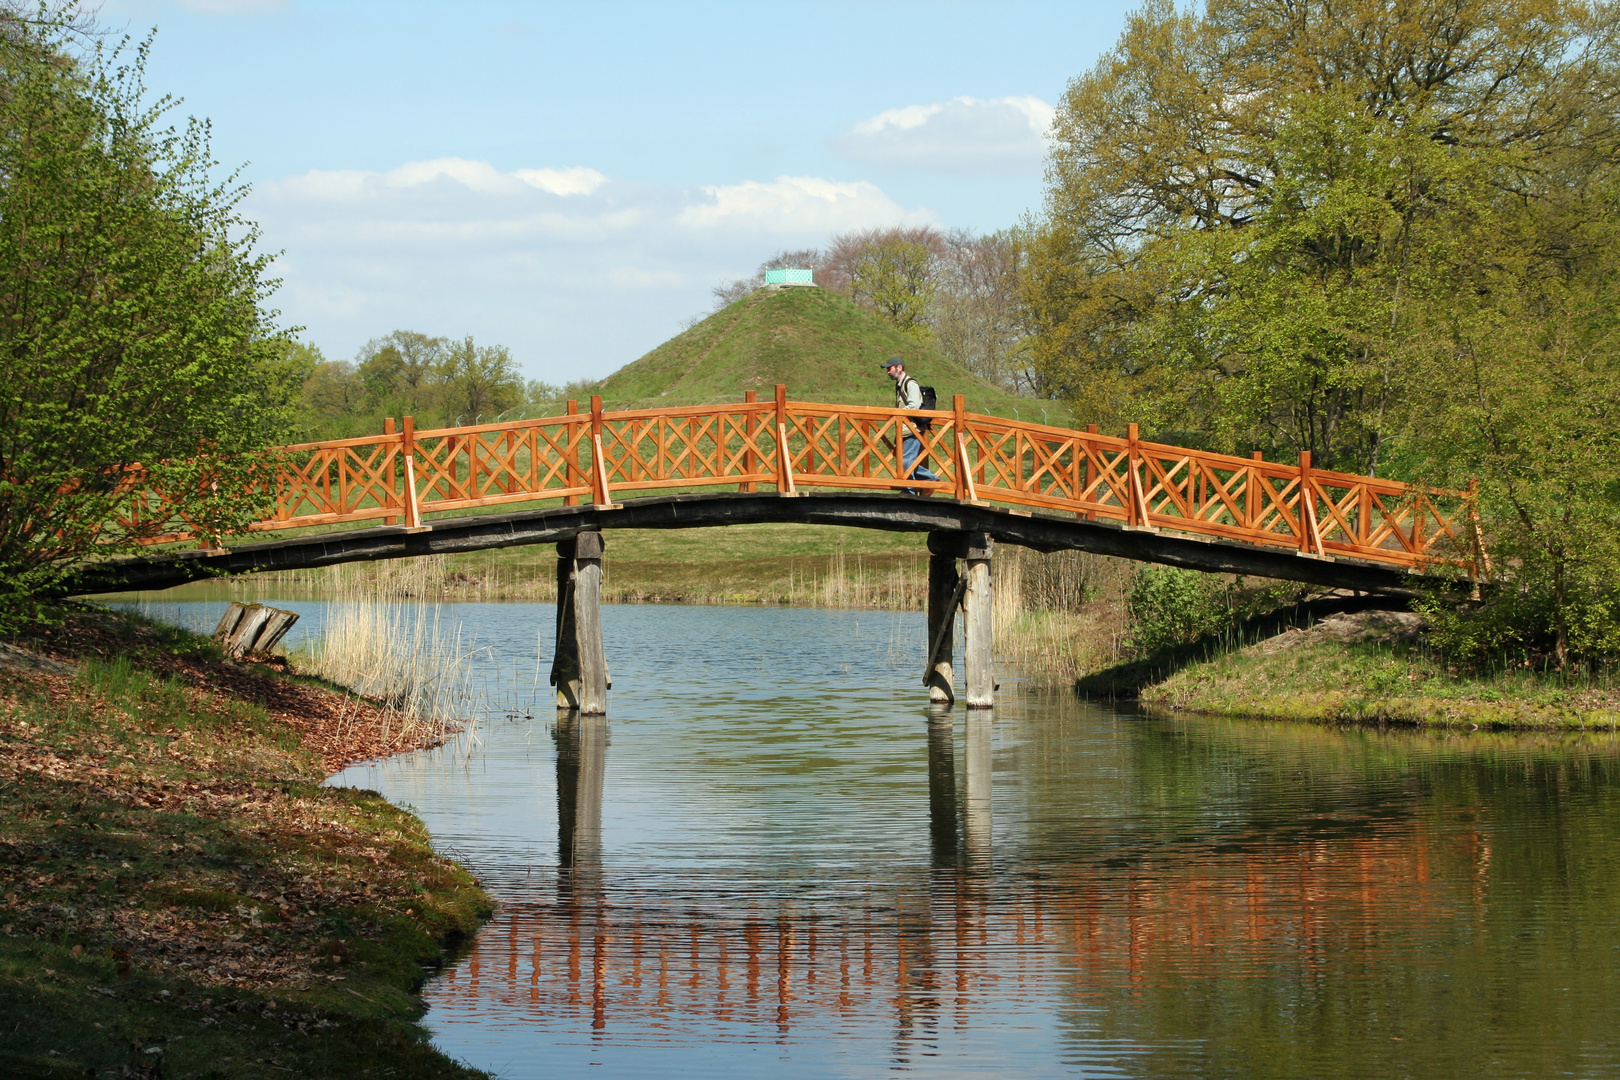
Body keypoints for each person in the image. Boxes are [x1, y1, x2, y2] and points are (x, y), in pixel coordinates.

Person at [881, 356, 938, 495]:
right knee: (906, 462)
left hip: (913, 429)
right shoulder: (900, 384)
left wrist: (897, 413)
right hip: (905, 429)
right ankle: (931, 479)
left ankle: (909, 490)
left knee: (906, 462)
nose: (888, 371)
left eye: (890, 368)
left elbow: (914, 405)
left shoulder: (910, 383)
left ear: (899, 367)